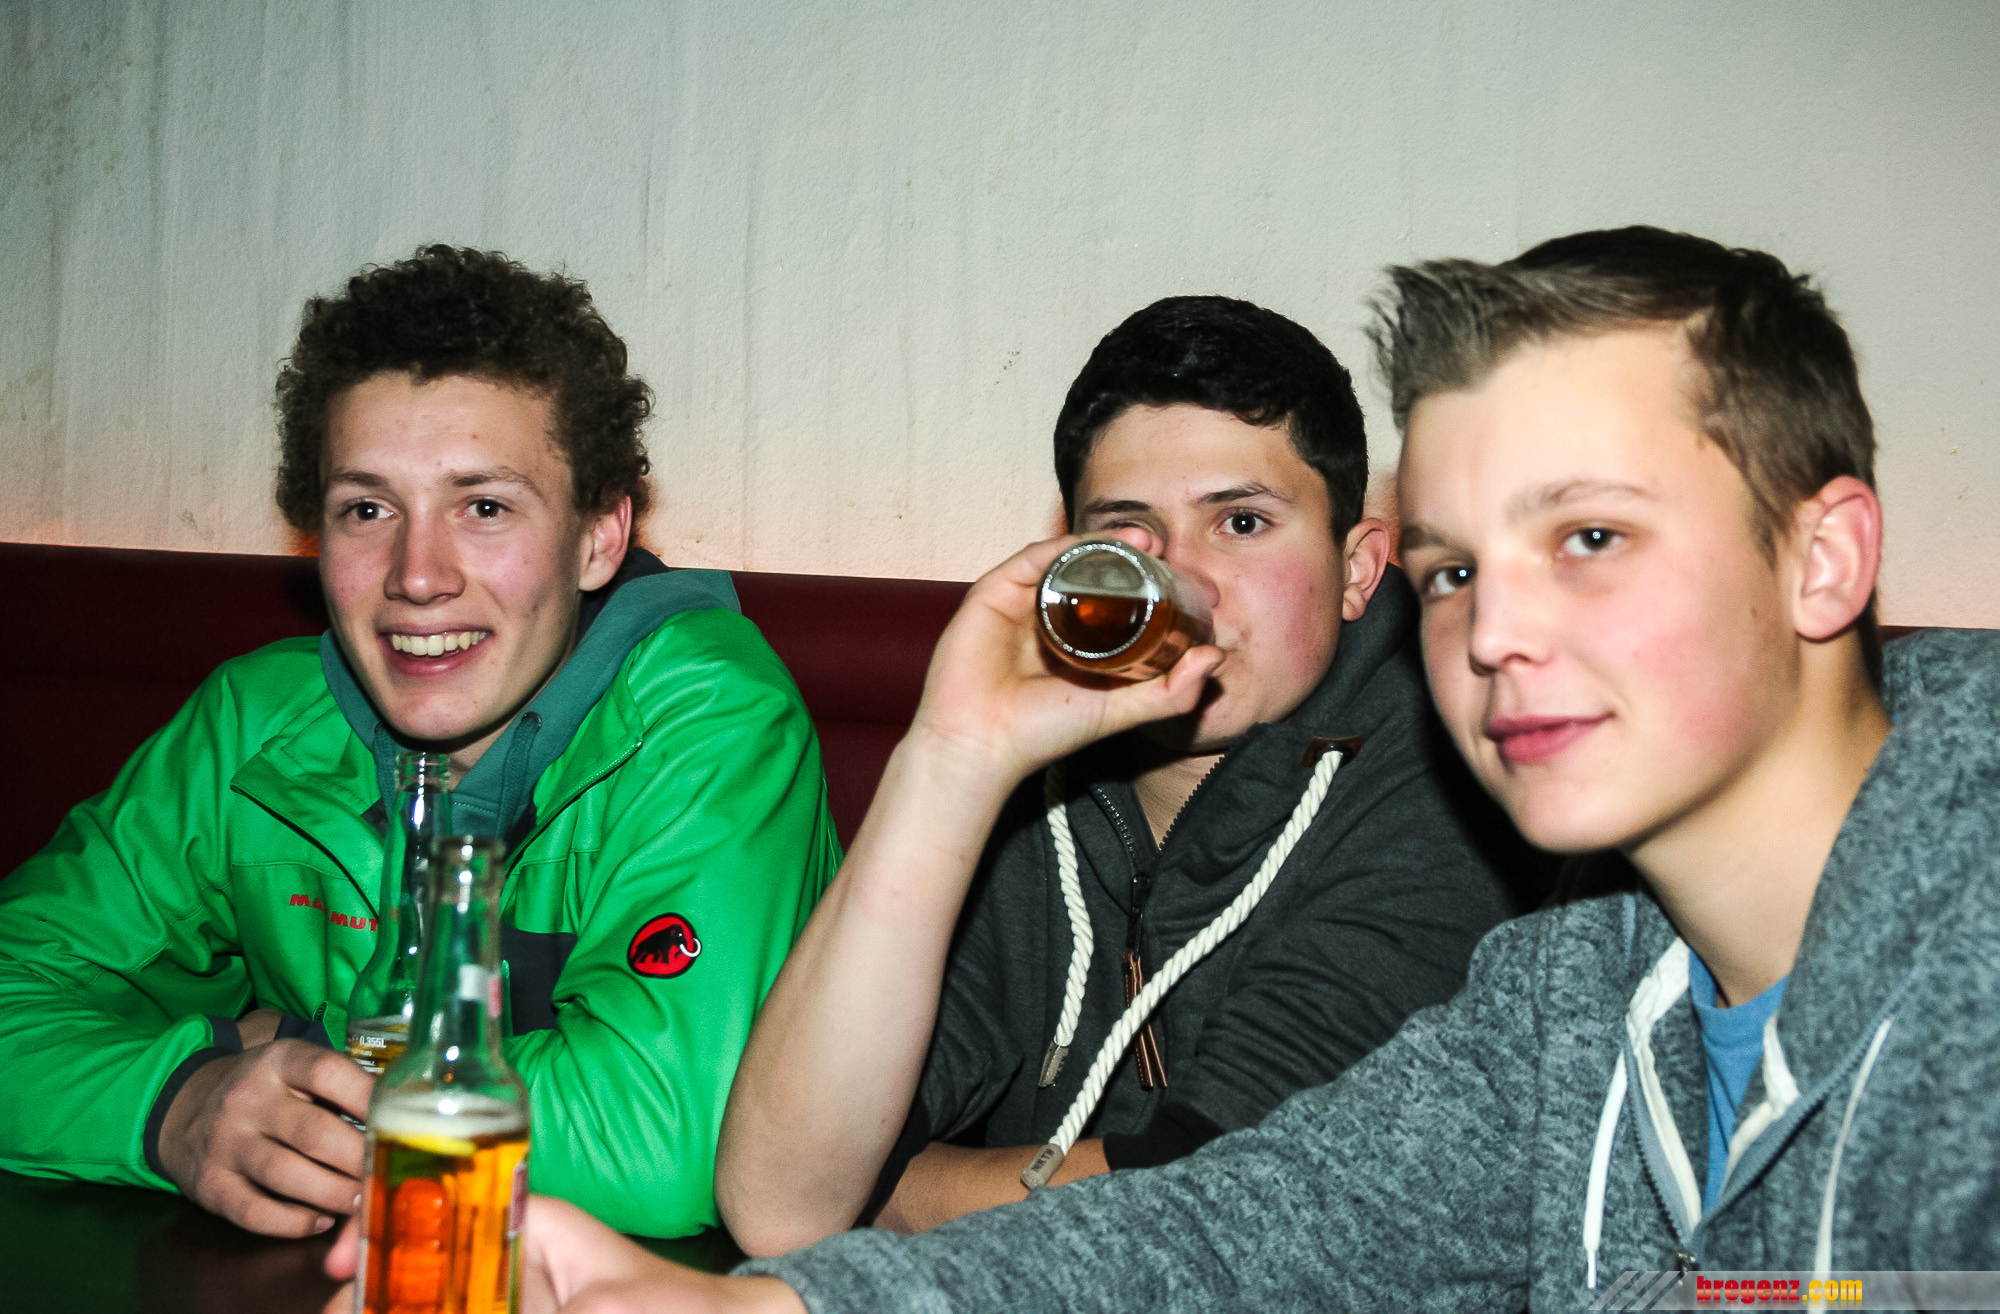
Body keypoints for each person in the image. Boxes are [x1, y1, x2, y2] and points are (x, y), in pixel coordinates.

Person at [333, 225, 2000, 1309]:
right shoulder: (1572, 995)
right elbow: (1220, 1234)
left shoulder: (1961, 954)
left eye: (1589, 537)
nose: (1495, 631)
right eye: (1457, 568)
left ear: (1825, 558)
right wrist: (745, 1306)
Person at [0, 245, 840, 1241]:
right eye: (368, 508)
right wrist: (176, 1103)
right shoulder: (255, 725)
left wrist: (304, 1056)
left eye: (484, 507)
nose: (417, 574)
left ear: (598, 537)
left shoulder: (709, 715)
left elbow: (658, 1143)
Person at [715, 295, 1533, 1254]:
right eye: (1131, 535)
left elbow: (1221, 1204)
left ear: (1356, 569)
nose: (1184, 582)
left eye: (1241, 521)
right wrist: (949, 757)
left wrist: (897, 1188)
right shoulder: (1034, 783)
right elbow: (779, 1198)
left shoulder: (1454, 776)